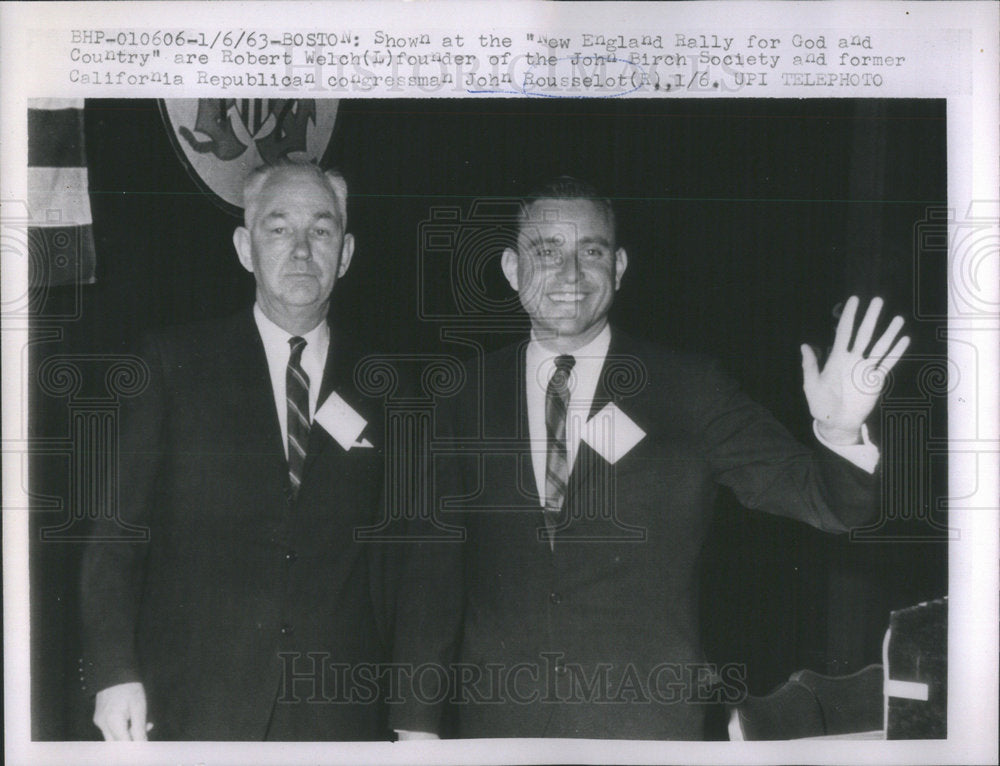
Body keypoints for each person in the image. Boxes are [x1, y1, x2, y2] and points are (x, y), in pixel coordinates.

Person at [391, 176, 909, 740]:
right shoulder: (462, 397)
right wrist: (415, 727)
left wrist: (839, 428)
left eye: (591, 251)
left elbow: (826, 502)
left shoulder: (689, 388)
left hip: (647, 724)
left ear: (618, 269)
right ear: (513, 270)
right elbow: (430, 579)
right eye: (546, 252)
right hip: (500, 724)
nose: (569, 274)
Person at [80, 160, 391, 741]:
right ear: (245, 248)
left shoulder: (385, 385)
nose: (301, 249)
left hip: (339, 711)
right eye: (278, 229)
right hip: (197, 701)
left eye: (321, 231)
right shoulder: (173, 364)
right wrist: (113, 671)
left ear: (345, 254)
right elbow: (116, 536)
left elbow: (405, 566)